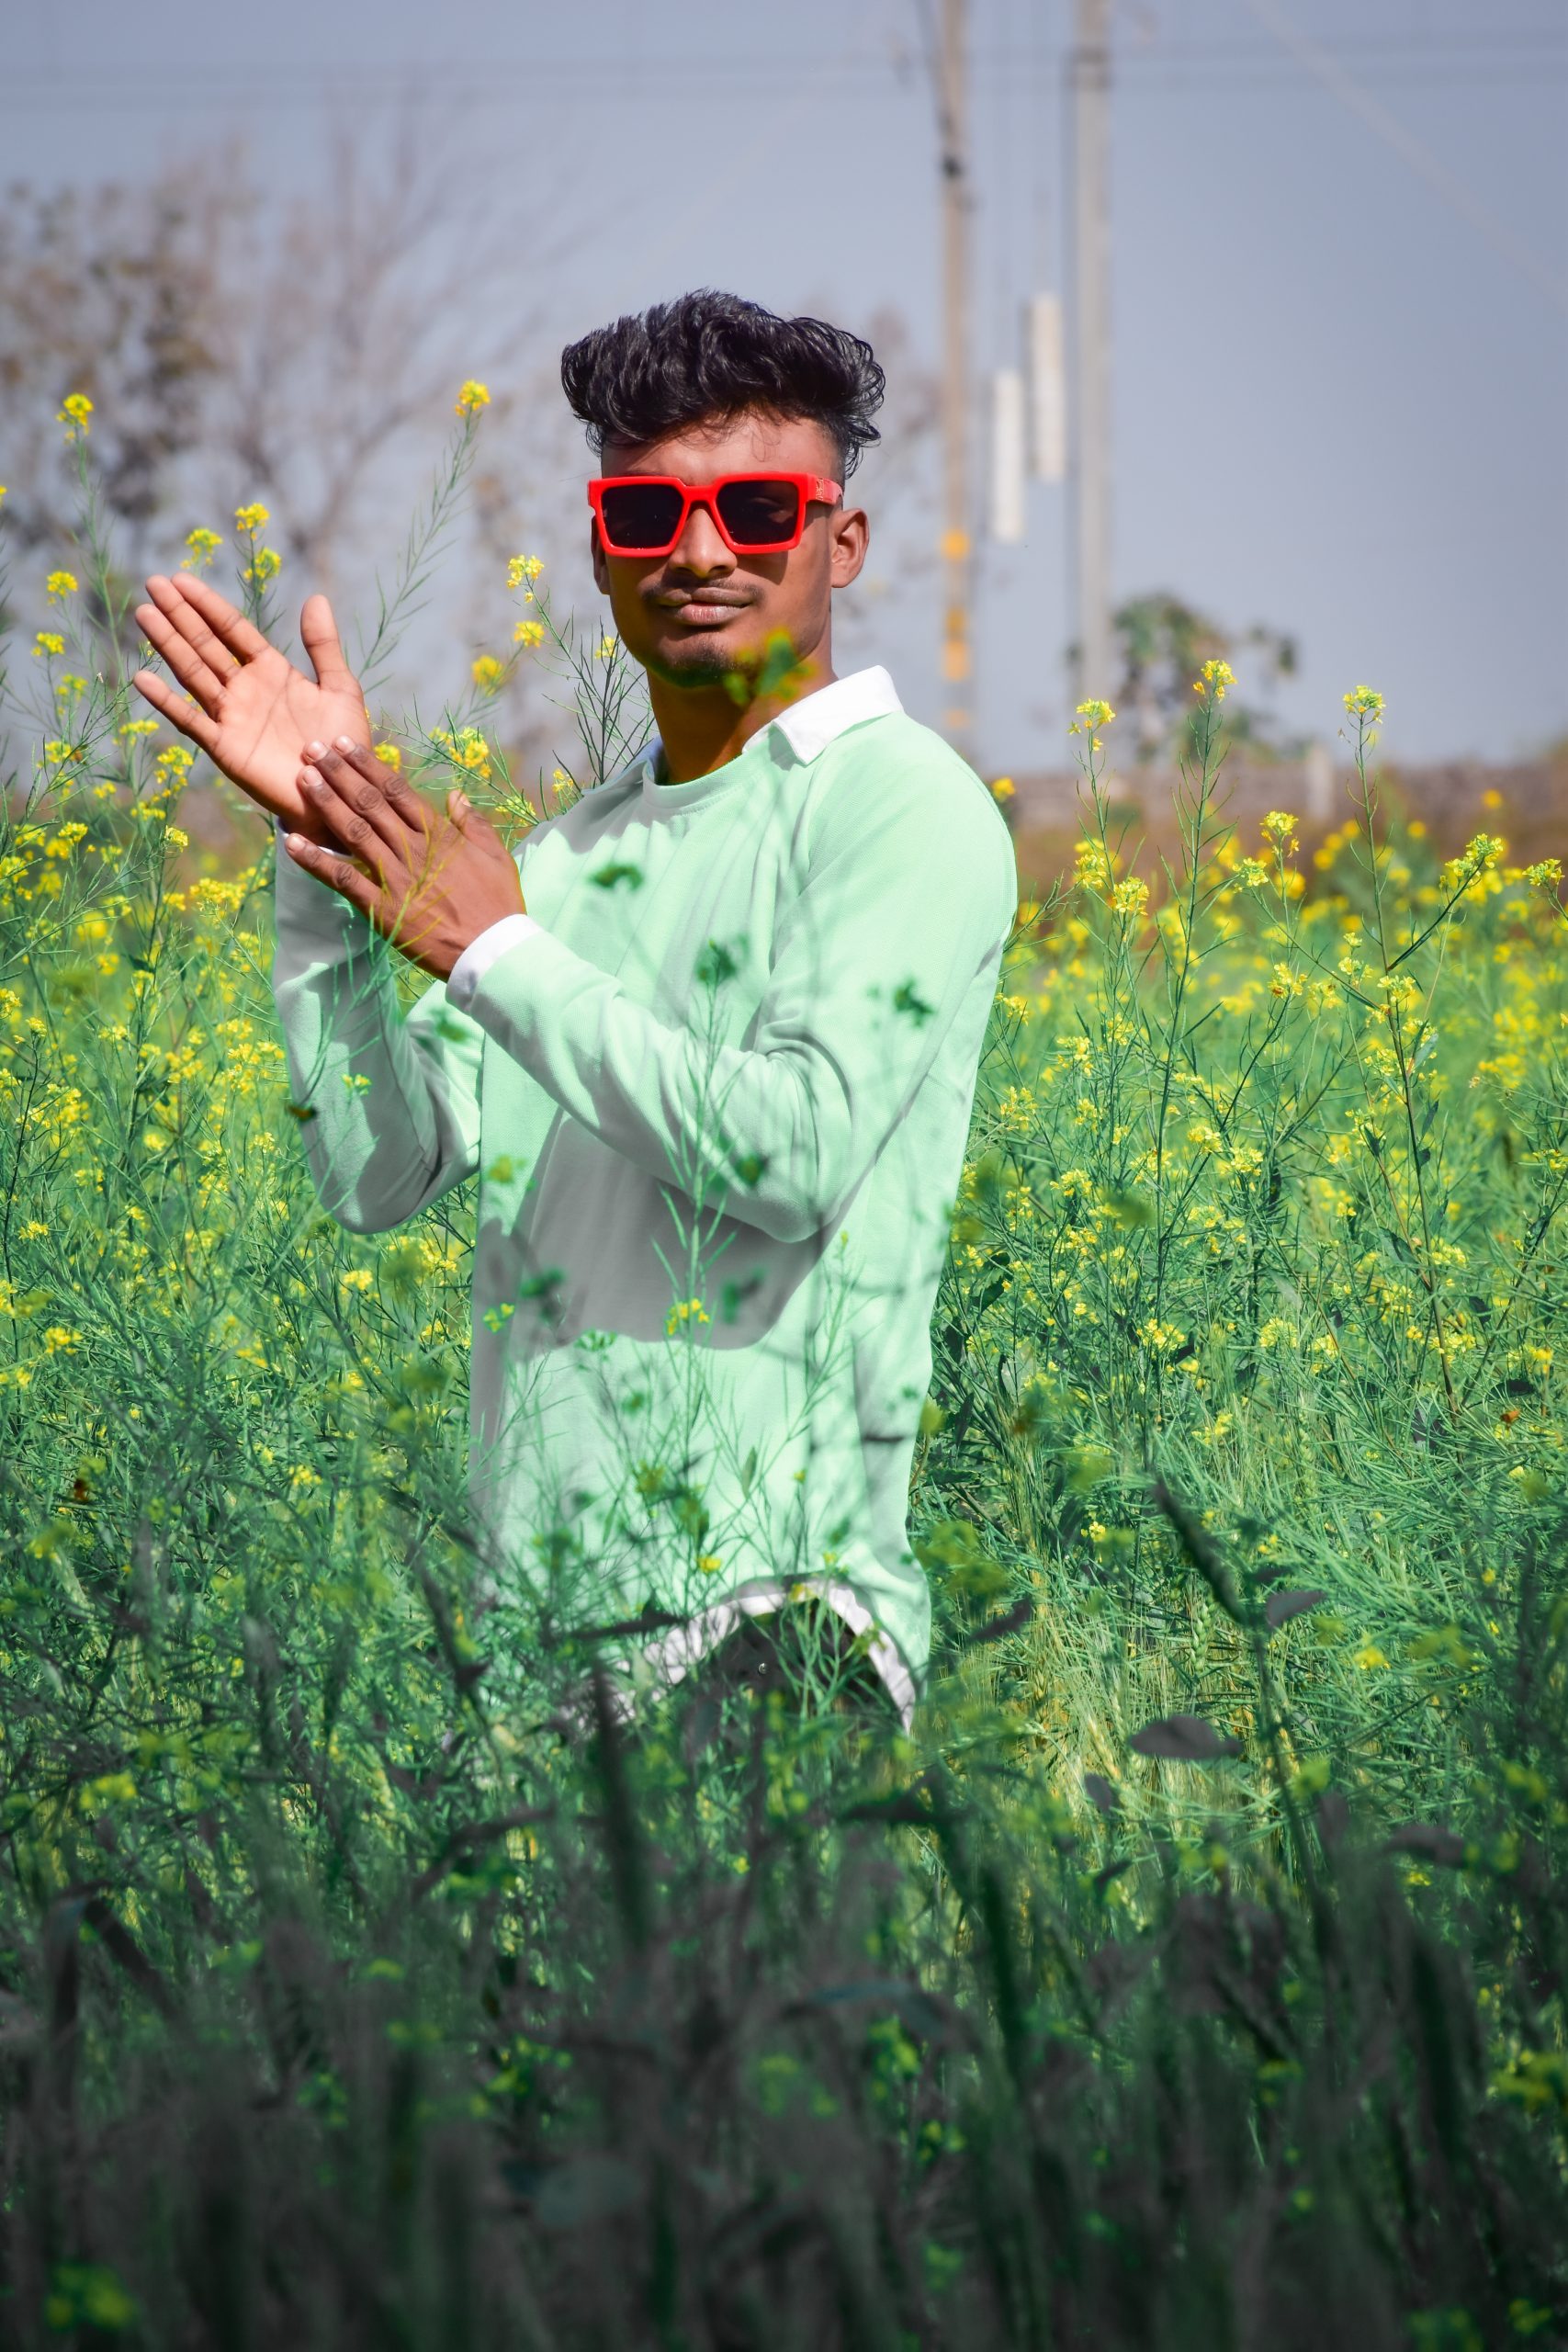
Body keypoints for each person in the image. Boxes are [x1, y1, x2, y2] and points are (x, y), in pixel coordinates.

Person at [130, 289, 1017, 1735]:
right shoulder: (564, 862)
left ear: (840, 541)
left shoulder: (896, 802)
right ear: (603, 552)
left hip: (777, 1631)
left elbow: (797, 1153)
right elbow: (377, 1173)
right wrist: (324, 859)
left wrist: (497, 953)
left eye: (757, 507)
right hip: (550, 1668)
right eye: (648, 518)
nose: (705, 551)